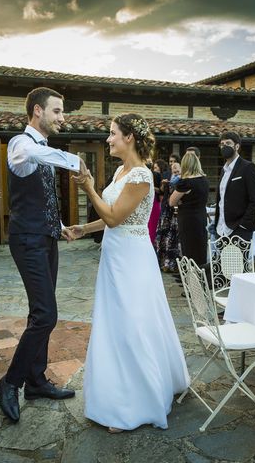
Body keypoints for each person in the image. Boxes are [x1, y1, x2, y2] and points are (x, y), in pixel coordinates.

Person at [69, 113, 189, 433]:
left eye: (112, 134)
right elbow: (113, 218)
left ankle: (134, 403)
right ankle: (116, 395)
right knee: (114, 323)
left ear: (129, 138)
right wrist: (83, 229)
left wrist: (89, 189)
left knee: (131, 324)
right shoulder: (122, 172)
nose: (108, 139)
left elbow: (113, 217)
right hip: (114, 256)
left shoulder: (140, 175)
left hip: (131, 260)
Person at [0, 87, 83, 424]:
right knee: (47, 315)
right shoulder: (22, 144)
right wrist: (76, 163)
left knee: (40, 312)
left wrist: (58, 223)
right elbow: (34, 158)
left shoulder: (42, 149)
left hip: (45, 236)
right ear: (38, 111)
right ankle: (11, 381)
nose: (63, 118)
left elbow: (43, 193)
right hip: (27, 240)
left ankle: (36, 381)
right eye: (58, 111)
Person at [214, 131, 255, 242]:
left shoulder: (248, 167)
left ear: (237, 146)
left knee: (241, 260)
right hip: (221, 230)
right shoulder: (223, 170)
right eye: (222, 144)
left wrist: (243, 225)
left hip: (239, 230)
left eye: (228, 143)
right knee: (222, 260)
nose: (224, 146)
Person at [169, 152, 210, 266]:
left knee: (189, 251)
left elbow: (171, 202)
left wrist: (181, 201)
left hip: (188, 220)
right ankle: (201, 279)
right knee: (200, 249)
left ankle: (191, 280)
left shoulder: (186, 182)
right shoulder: (204, 180)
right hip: (201, 217)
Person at [155, 162, 181, 272]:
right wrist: (163, 184)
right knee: (163, 237)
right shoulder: (167, 175)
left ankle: (173, 264)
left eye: (177, 169)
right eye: (173, 169)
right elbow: (161, 191)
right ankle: (163, 263)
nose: (174, 171)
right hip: (166, 209)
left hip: (176, 210)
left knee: (173, 238)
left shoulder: (183, 178)